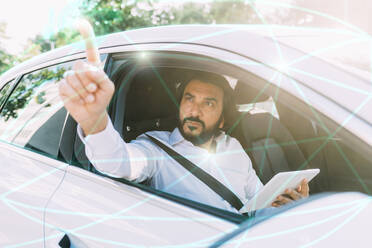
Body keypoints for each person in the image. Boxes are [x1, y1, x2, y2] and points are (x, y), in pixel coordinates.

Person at [58, 21, 309, 213]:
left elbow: (256, 202)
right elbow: (119, 161)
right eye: (189, 98)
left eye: (208, 103)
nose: (194, 110)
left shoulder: (233, 147)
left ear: (223, 119)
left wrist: (286, 205)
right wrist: (94, 121)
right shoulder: (157, 147)